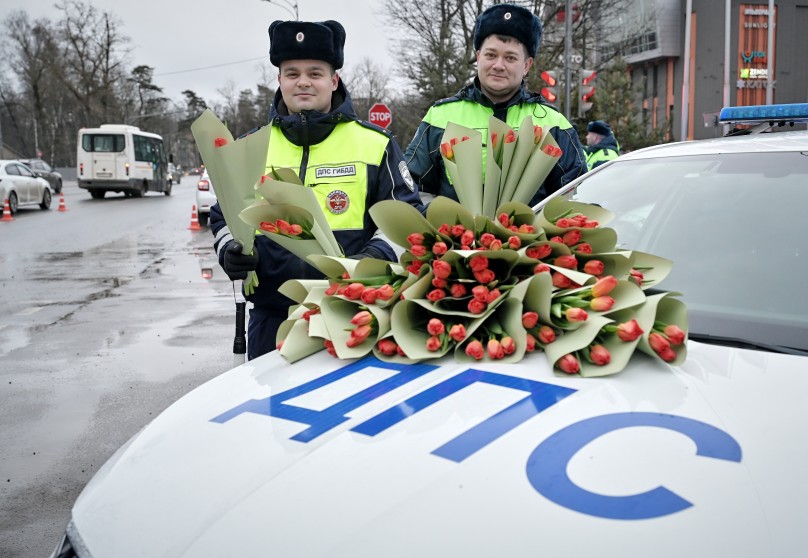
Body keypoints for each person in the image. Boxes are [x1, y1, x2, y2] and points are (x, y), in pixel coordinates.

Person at [210, 19, 422, 360]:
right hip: (271, 318)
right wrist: (230, 251)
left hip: (355, 313)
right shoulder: (251, 146)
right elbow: (222, 215)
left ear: (333, 79)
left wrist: (371, 261)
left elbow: (407, 217)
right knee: (270, 413)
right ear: (279, 80)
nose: (303, 82)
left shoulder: (375, 144)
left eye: (315, 72)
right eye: (292, 73)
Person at [405, 3, 587, 206]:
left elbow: (575, 195)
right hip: (454, 237)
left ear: (527, 65)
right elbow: (412, 188)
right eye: (491, 55)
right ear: (478, 57)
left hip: (531, 237)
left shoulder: (554, 123)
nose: (498, 65)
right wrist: (440, 224)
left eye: (510, 58)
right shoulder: (439, 116)